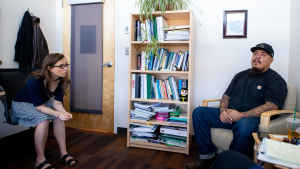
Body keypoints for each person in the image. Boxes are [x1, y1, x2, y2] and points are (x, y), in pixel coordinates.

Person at [185, 43, 288, 169]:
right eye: (255, 54)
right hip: (229, 115)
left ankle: (232, 164)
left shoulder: (276, 80)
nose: (257, 57)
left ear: (271, 60)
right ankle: (207, 158)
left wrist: (241, 115)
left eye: (263, 55)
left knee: (244, 125)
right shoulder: (240, 75)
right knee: (199, 112)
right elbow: (226, 97)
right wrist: (223, 111)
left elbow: (271, 106)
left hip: (251, 119)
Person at [11, 53, 78, 169]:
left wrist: (63, 113)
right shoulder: (35, 79)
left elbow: (57, 102)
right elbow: (39, 107)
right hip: (22, 104)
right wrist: (58, 113)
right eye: (61, 66)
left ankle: (64, 153)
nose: (65, 68)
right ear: (49, 68)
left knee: (59, 117)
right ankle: (40, 160)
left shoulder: (61, 80)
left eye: (66, 65)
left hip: (40, 104)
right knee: (43, 120)